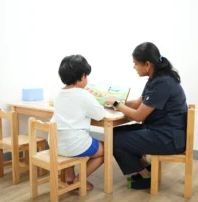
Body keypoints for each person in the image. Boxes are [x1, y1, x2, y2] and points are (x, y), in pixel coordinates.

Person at [105, 42, 188, 190]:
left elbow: (138, 115)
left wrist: (118, 104)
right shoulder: (155, 79)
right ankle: (146, 167)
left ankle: (146, 176)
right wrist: (112, 103)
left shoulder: (162, 83)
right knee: (113, 134)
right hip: (161, 131)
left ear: (147, 64)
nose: (134, 67)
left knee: (114, 140)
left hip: (168, 138)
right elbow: (138, 103)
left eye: (136, 64)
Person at [50, 54, 106, 191]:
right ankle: (80, 179)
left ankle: (69, 177)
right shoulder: (84, 95)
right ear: (82, 76)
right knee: (106, 149)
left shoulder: (57, 93)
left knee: (68, 139)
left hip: (55, 143)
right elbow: (99, 115)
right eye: (86, 75)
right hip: (74, 145)